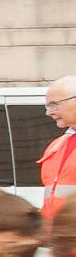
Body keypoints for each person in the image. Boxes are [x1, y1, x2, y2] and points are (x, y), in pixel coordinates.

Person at [39, 76, 76, 225]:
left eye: (54, 105)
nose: (49, 112)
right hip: (58, 238)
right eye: (47, 106)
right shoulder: (57, 145)